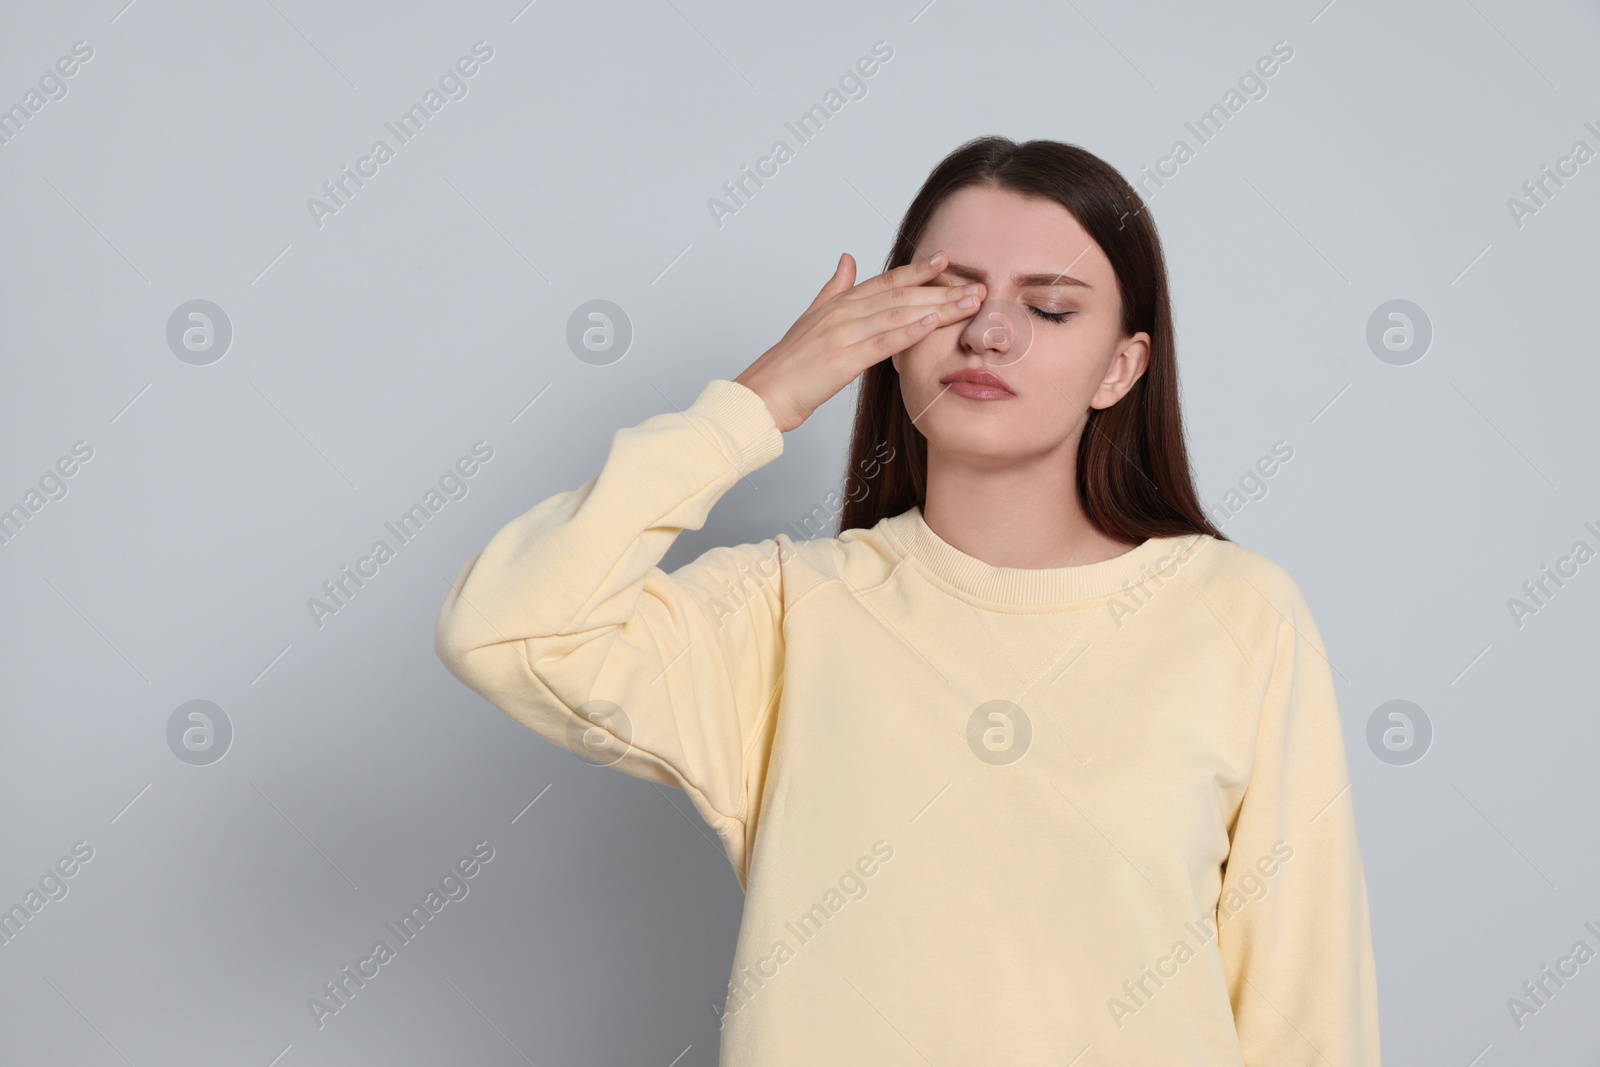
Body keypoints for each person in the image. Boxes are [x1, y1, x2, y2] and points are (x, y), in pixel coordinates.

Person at [434, 136, 1381, 1065]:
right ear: (886, 331)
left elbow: (1305, 1010)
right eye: (947, 296)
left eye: (1049, 309)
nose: (987, 332)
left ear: (1121, 368)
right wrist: (761, 400)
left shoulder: (1235, 613)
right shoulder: (789, 614)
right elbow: (506, 627)